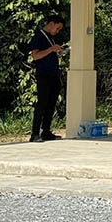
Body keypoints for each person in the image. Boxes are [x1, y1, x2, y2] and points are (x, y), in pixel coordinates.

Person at [28, 14, 66, 143]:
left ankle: (46, 131)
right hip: (43, 75)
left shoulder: (50, 38)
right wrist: (50, 50)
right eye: (57, 28)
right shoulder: (39, 37)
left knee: (51, 104)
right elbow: (36, 55)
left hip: (54, 75)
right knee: (42, 104)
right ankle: (35, 133)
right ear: (51, 24)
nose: (57, 31)